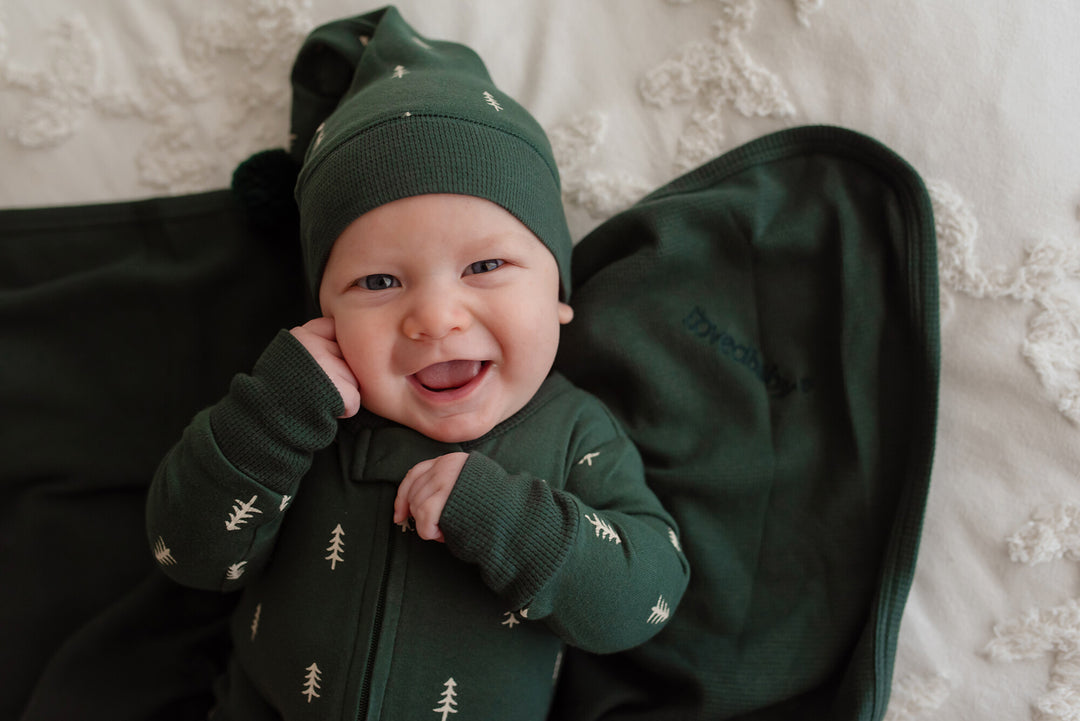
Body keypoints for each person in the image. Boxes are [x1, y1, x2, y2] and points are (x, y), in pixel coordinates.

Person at [146, 6, 689, 720]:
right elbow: (186, 554)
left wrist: (510, 522)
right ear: (323, 314)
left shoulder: (576, 434)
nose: (434, 317)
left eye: (486, 265)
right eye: (378, 282)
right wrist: (270, 417)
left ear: (559, 292)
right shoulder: (300, 417)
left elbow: (641, 599)